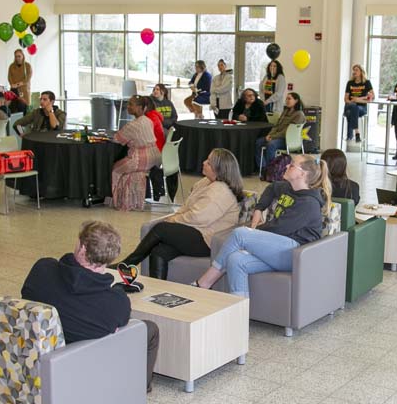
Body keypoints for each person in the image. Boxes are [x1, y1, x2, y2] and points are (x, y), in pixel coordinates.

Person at [21, 221, 159, 392]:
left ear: (82, 248)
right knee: (150, 329)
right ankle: (138, 392)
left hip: (39, 355)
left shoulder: (42, 269)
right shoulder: (115, 302)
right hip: (85, 363)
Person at [195, 154, 330, 296]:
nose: (285, 166)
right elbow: (272, 188)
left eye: (291, 165)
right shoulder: (288, 188)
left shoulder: (308, 203)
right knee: (235, 260)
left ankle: (204, 282)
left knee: (240, 234)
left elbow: (279, 228)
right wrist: (259, 208)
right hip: (280, 248)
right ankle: (239, 310)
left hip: (297, 253)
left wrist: (253, 232)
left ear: (302, 174)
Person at [120, 148, 244, 280]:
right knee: (159, 252)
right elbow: (188, 208)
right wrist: (174, 218)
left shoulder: (220, 190)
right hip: (197, 231)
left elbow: (199, 217)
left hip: (208, 240)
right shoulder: (207, 183)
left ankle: (127, 264)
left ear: (218, 169)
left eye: (208, 162)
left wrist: (174, 220)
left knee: (161, 228)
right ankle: (157, 289)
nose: (203, 162)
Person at [110, 95, 162, 211]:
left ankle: (119, 201)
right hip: (155, 155)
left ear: (139, 107)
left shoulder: (132, 126)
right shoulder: (148, 121)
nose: (128, 107)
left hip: (141, 158)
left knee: (115, 169)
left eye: (131, 105)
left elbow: (117, 139)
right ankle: (135, 201)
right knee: (131, 171)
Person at [256, 92, 305, 170]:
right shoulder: (285, 111)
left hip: (288, 140)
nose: (287, 101)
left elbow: (288, 131)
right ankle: (263, 167)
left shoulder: (299, 114)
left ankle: (272, 169)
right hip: (277, 137)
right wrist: (270, 135)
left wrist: (273, 136)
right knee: (258, 142)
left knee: (271, 145)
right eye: (286, 99)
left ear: (296, 101)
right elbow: (277, 125)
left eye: (289, 99)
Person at [343, 64, 373, 144]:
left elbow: (372, 97)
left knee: (351, 111)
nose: (354, 72)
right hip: (349, 105)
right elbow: (346, 99)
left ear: (361, 72)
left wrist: (358, 99)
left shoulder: (367, 83)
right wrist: (354, 101)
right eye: (353, 70)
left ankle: (350, 135)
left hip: (362, 108)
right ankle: (357, 133)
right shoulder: (350, 83)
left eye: (356, 70)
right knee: (353, 107)